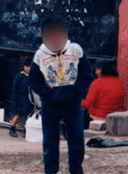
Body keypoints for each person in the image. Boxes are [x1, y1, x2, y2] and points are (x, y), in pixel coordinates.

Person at [29, 19, 94, 174]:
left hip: (72, 101)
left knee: (76, 138)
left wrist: (77, 91)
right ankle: (51, 171)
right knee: (50, 141)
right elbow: (34, 78)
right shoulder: (40, 54)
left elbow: (86, 73)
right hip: (50, 102)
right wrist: (46, 93)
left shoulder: (75, 50)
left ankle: (76, 169)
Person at [9, 59, 32, 138]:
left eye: (29, 67)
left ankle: (26, 130)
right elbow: (15, 88)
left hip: (29, 98)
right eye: (27, 66)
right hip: (20, 98)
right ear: (23, 67)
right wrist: (15, 99)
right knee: (17, 114)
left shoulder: (31, 77)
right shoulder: (19, 76)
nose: (28, 68)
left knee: (28, 115)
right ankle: (12, 128)